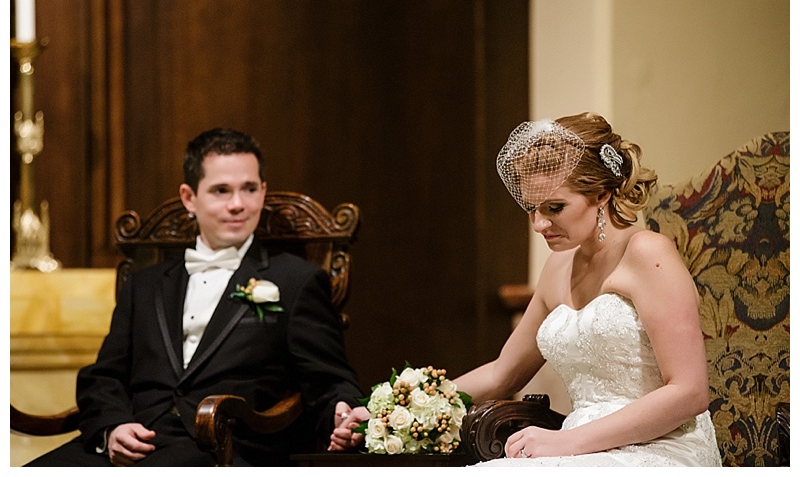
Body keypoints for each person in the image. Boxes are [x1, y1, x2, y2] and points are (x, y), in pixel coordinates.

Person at [330, 112, 722, 466]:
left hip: (661, 446)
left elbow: (689, 393)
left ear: (601, 194)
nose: (539, 224)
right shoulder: (558, 268)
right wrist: (388, 409)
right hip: (574, 447)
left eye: (554, 208)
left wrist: (567, 442)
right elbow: (502, 374)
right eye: (531, 208)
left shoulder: (647, 254)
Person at [27, 127, 364, 466]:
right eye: (221, 190)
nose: (238, 204)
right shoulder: (146, 285)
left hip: (222, 450)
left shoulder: (296, 280)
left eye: (249, 189)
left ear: (263, 192)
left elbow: (329, 379)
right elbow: (104, 376)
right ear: (189, 198)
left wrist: (342, 414)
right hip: (137, 440)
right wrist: (113, 427)